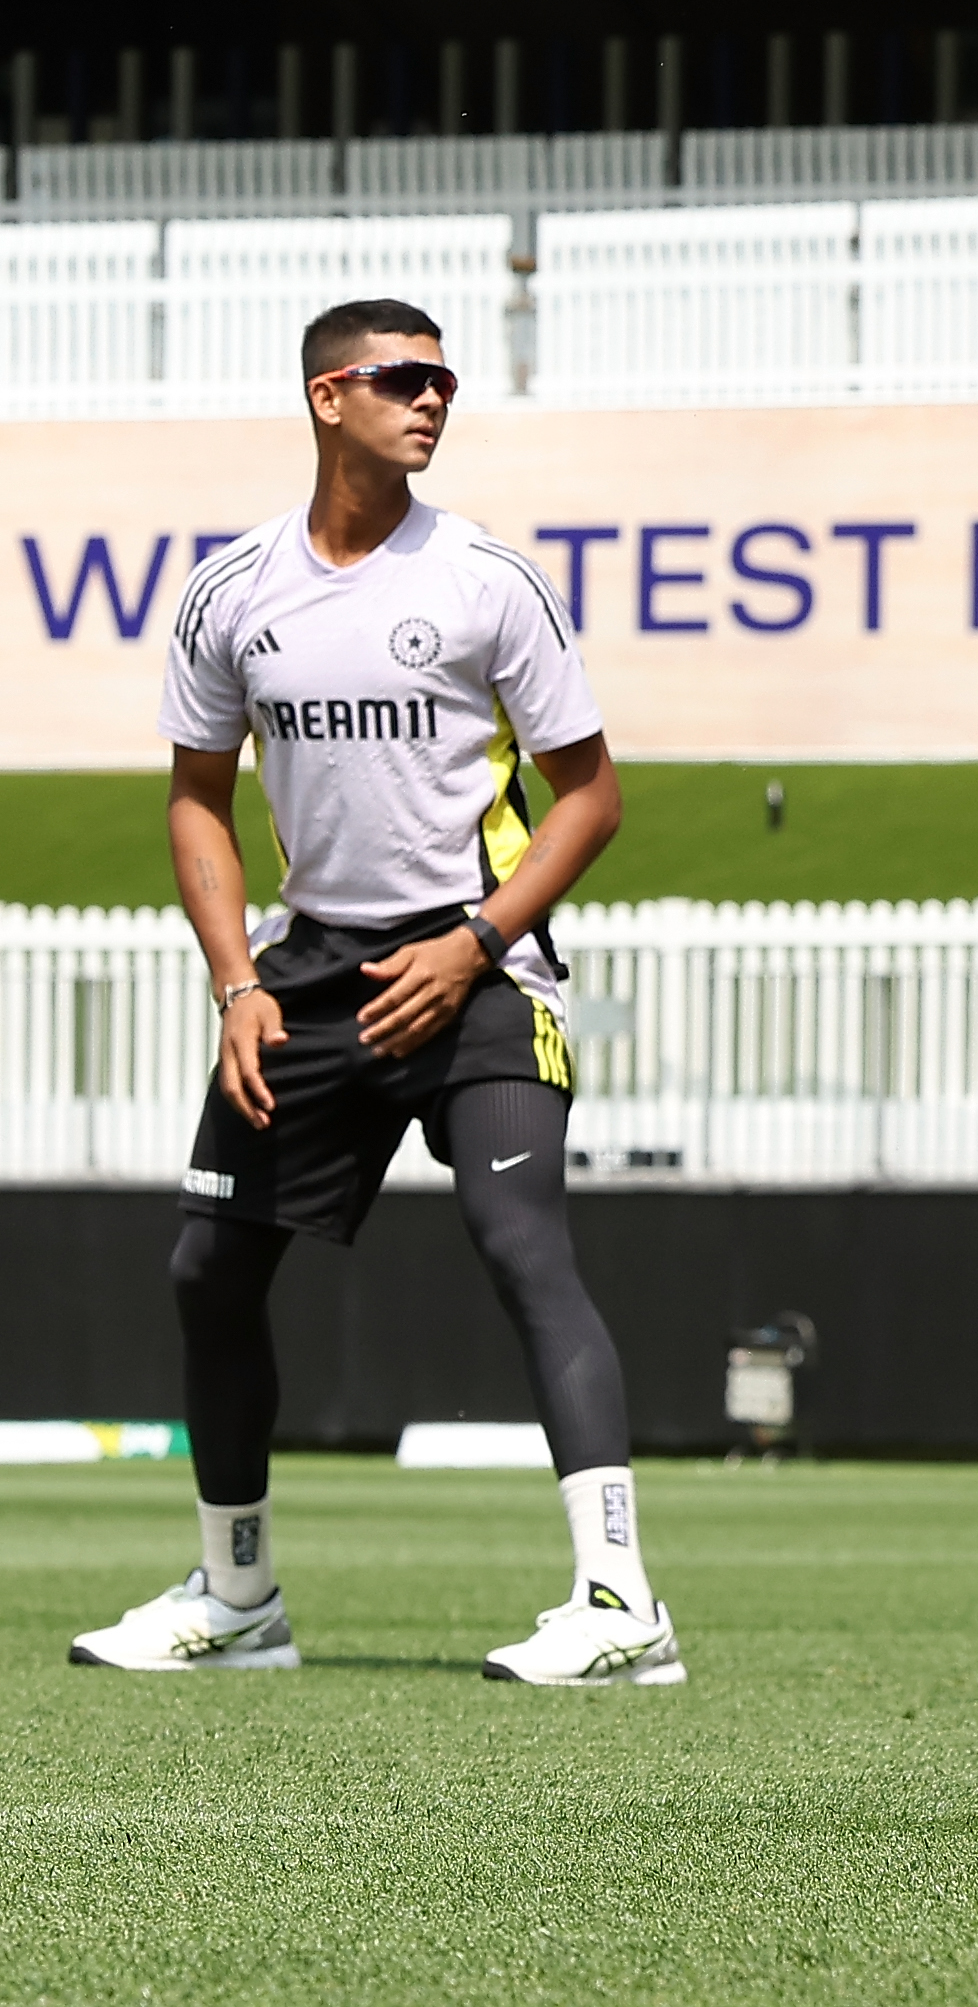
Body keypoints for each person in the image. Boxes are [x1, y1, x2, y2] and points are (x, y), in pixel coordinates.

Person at [73, 299, 673, 1687]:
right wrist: (237, 980)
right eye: (404, 378)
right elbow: (196, 803)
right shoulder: (233, 594)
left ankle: (621, 1598)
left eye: (444, 380)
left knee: (525, 1246)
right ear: (327, 395)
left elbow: (592, 798)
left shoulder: (487, 581)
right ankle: (237, 1599)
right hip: (309, 975)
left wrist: (478, 939)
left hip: (476, 965)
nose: (433, 399)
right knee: (207, 1268)